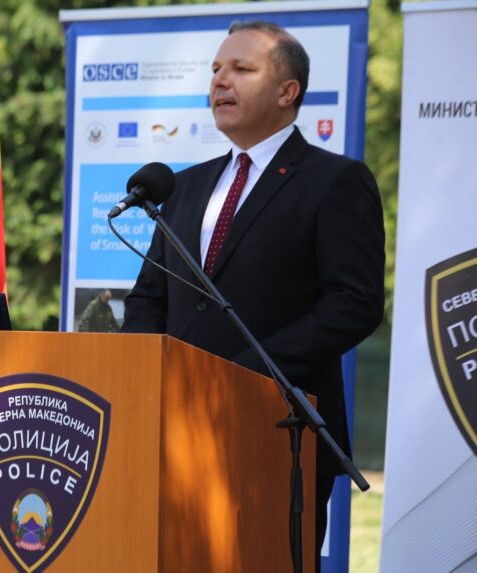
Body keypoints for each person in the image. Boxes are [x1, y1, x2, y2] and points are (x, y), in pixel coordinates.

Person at [122, 20, 385, 568]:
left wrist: (240, 376)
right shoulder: (185, 185)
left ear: (287, 91)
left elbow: (354, 302)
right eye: (216, 69)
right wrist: (147, 375)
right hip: (174, 425)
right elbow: (149, 296)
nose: (221, 81)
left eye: (241, 69)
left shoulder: (335, 181)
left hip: (276, 430)